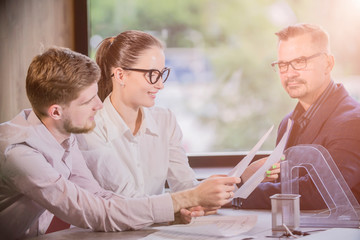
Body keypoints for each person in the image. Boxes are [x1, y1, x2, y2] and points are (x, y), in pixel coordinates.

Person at [0, 47, 240, 239]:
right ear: (55, 112)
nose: (99, 105)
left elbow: (100, 197)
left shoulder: (62, 134)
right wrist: (188, 198)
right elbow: (96, 214)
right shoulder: (19, 154)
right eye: (88, 101)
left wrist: (168, 215)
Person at [237, 23, 360, 210]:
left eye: (300, 61)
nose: (290, 73)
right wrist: (244, 179)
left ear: (328, 64)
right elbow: (285, 185)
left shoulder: (353, 122)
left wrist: (237, 193)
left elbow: (318, 192)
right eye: (283, 64)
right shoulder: (288, 122)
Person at [78, 30, 201, 198]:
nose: (160, 85)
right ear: (121, 75)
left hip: (159, 223)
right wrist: (179, 207)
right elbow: (128, 201)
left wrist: (225, 187)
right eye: (152, 74)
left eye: (162, 74)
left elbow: (185, 186)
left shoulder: (165, 120)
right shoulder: (91, 127)